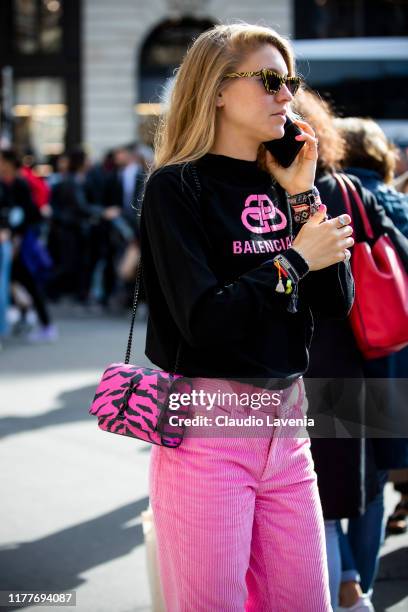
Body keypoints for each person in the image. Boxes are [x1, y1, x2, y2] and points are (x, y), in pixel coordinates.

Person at [140, 23, 355, 611]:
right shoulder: (175, 187)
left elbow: (335, 304)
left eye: (289, 81)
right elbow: (204, 321)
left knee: (306, 602)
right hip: (209, 425)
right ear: (214, 89)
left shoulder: (290, 183)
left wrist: (304, 194)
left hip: (287, 426)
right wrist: (293, 261)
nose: (286, 95)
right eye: (268, 80)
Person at [293, 92, 408, 610]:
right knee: (371, 482)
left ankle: (347, 584)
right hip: (381, 352)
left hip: (328, 353)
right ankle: (357, 583)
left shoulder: (310, 193)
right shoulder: (373, 195)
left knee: (324, 492)